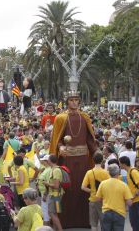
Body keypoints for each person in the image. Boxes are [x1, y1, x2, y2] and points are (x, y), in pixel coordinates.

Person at [49, 90, 98, 228]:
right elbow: (57, 139)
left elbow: (90, 139)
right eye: (71, 100)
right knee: (67, 189)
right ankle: (64, 222)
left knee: (83, 188)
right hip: (67, 160)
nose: (74, 102)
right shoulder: (60, 118)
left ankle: (85, 221)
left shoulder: (85, 117)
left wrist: (97, 154)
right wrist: (60, 148)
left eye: (77, 100)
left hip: (83, 159)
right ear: (67, 102)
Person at [96, 164, 133, 231]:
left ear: (109, 172)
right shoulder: (123, 185)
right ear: (118, 172)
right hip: (120, 213)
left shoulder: (103, 183)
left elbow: (98, 199)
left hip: (106, 212)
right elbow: (129, 203)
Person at [81, 152, 110, 231]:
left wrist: (92, 191)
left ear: (93, 160)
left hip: (93, 200)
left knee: (94, 224)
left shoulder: (89, 172)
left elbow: (83, 187)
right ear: (102, 161)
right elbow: (109, 187)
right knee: (104, 222)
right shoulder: (106, 173)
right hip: (104, 201)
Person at [119, 156, 139, 231]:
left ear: (124, 164)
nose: (119, 165)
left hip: (136, 202)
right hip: (133, 202)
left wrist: (133, 196)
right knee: (134, 222)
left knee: (135, 223)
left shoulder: (133, 172)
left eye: (120, 163)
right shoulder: (129, 172)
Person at [43, 155, 63, 231]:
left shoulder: (56, 170)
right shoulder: (53, 169)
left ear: (50, 161)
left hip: (55, 195)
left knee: (51, 213)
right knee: (54, 213)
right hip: (54, 194)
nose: (46, 161)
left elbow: (56, 186)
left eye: (47, 159)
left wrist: (46, 184)